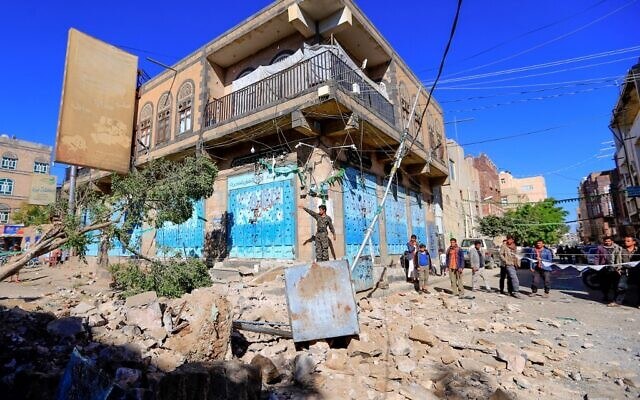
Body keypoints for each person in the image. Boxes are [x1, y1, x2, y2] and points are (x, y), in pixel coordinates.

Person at [608, 235, 640, 307]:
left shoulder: (638, 250)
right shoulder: (621, 250)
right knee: (621, 286)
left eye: (628, 241)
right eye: (625, 241)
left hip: (637, 271)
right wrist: (617, 268)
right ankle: (618, 301)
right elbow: (615, 260)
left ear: (634, 242)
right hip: (625, 271)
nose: (626, 242)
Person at [596, 236, 622, 304]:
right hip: (604, 269)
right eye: (606, 241)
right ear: (604, 241)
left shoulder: (617, 247)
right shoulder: (600, 248)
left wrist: (619, 266)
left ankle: (616, 298)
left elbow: (620, 257)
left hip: (615, 269)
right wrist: (597, 267)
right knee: (605, 284)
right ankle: (605, 296)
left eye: (609, 241)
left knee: (616, 284)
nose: (607, 242)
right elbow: (597, 257)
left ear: (612, 241)